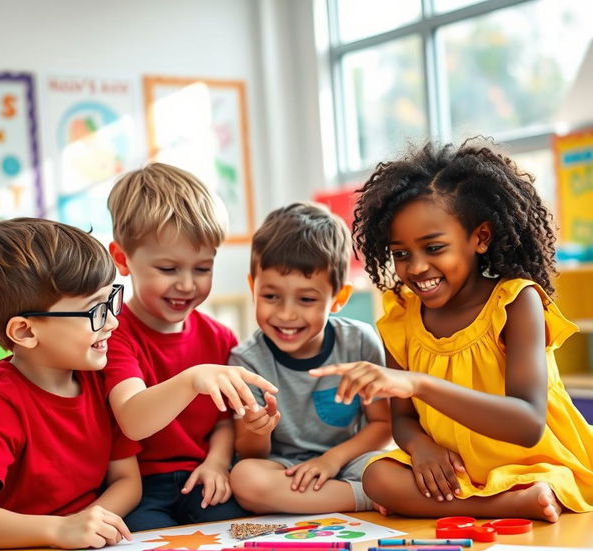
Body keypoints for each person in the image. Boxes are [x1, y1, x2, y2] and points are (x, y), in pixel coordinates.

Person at [311, 139, 593, 523]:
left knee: (546, 477)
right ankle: (501, 507)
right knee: (378, 476)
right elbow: (403, 420)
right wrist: (421, 447)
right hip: (458, 471)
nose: (416, 268)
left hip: (532, 462)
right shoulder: (402, 316)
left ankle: (518, 498)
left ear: (480, 238)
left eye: (434, 248)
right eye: (402, 254)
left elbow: (527, 424)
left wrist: (418, 384)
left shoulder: (515, 303)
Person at [104, 163, 277, 531]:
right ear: (122, 259)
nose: (187, 285)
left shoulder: (219, 337)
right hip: (137, 486)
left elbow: (223, 422)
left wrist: (216, 462)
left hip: (204, 475)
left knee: (236, 533)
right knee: (139, 543)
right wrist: (192, 379)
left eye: (202, 269)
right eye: (168, 269)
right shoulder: (112, 334)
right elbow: (133, 421)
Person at [0, 218, 142, 550]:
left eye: (110, 301)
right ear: (25, 332)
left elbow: (127, 481)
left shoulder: (100, 380)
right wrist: (61, 531)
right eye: (94, 311)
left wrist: (87, 525)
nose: (112, 321)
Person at [229, 202, 392, 514]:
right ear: (253, 289)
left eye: (306, 299)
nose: (287, 314)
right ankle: (369, 499)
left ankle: (359, 493)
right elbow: (250, 453)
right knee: (245, 479)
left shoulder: (359, 342)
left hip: (349, 460)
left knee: (396, 467)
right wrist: (256, 429)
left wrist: (331, 460)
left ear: (338, 299)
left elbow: (382, 425)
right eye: (270, 296)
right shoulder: (245, 362)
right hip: (284, 469)